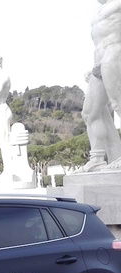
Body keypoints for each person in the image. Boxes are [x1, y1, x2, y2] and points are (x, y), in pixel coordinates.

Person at [81, 0, 121, 172]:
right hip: (99, 59)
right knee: (89, 112)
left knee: (118, 103)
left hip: (115, 52)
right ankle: (97, 158)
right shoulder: (99, 10)